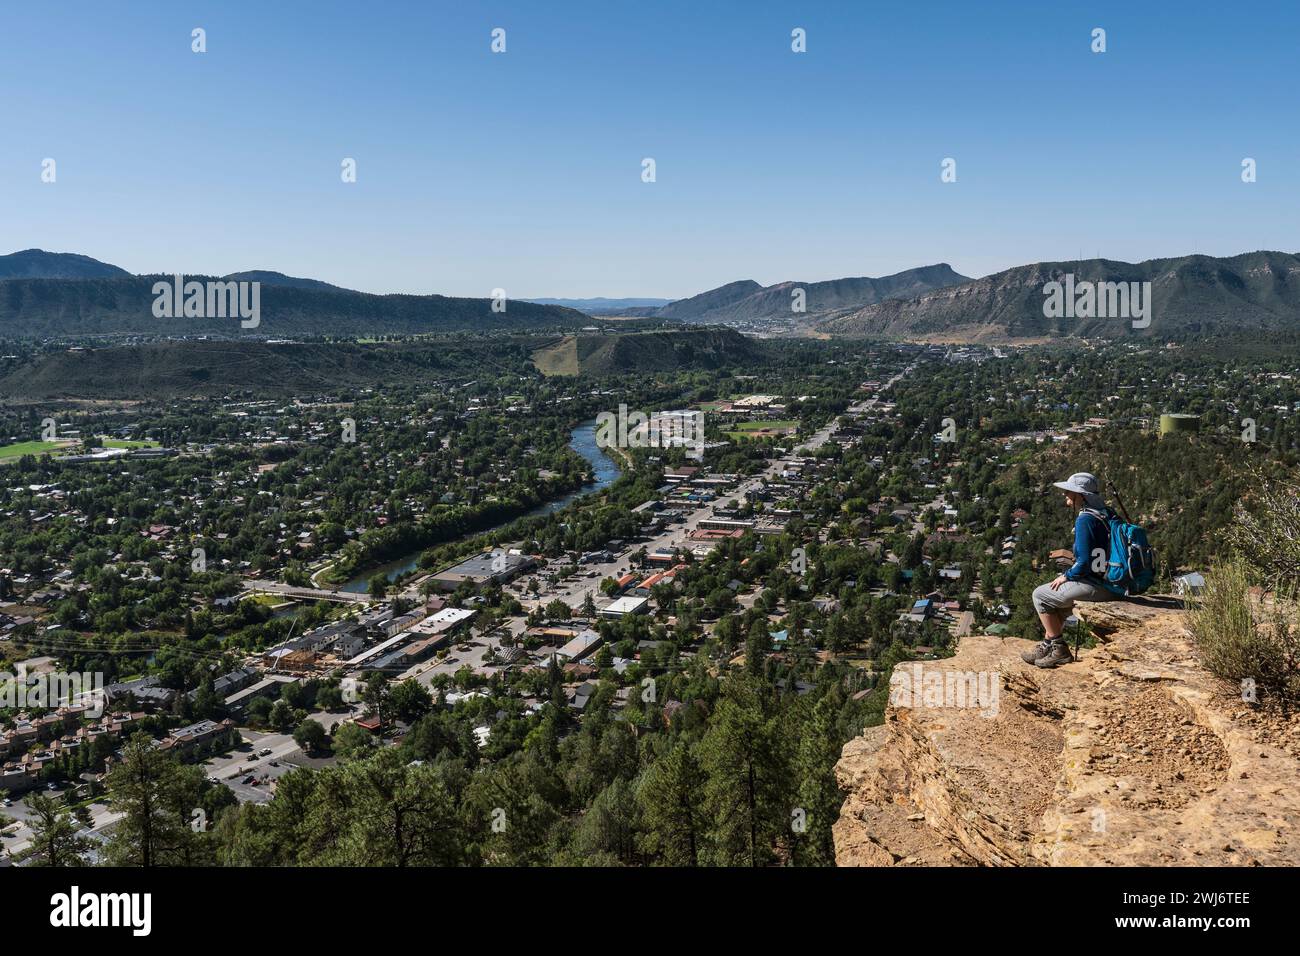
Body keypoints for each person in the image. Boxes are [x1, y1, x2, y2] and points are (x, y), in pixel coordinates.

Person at [1022, 472, 1120, 668]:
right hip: (1113, 582)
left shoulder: (1085, 519)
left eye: (1069, 491)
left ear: (1080, 495)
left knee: (1040, 595)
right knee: (1056, 602)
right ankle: (1048, 645)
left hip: (1097, 585)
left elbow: (1083, 563)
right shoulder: (1106, 513)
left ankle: (1058, 648)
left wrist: (1066, 576)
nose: (1065, 494)